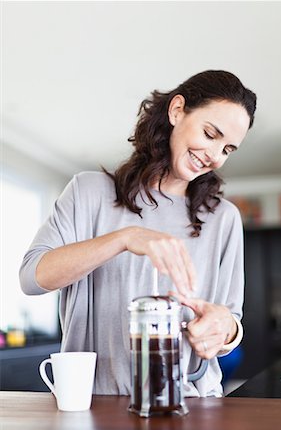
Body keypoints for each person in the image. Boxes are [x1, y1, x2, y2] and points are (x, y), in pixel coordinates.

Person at [20, 70, 257, 397]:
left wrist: (225, 330)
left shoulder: (223, 218)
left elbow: (231, 319)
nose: (215, 156)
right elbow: (32, 277)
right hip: (96, 405)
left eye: (228, 149)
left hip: (192, 405)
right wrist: (124, 238)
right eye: (210, 133)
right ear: (177, 110)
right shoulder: (89, 193)